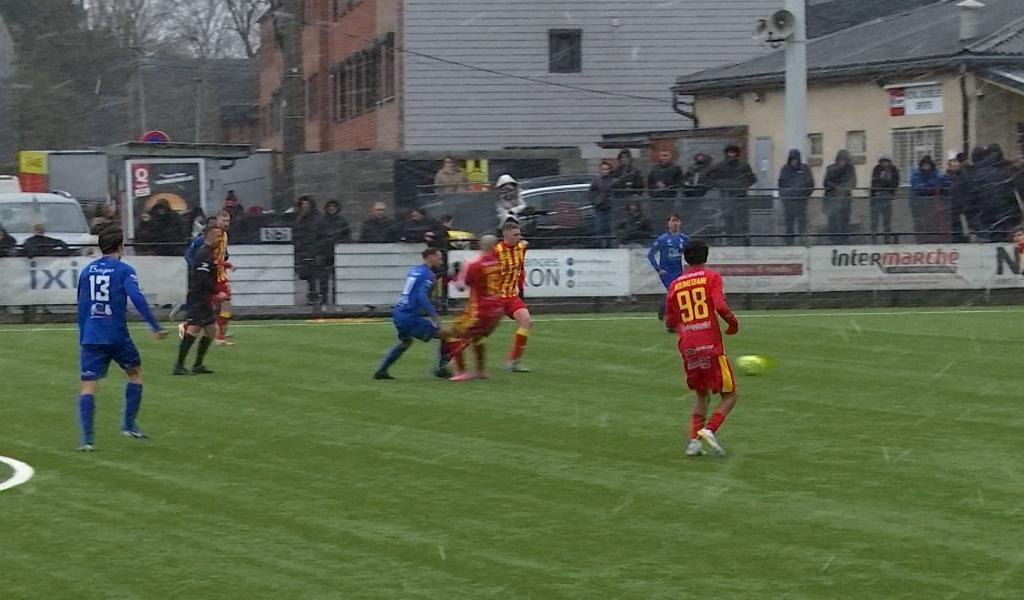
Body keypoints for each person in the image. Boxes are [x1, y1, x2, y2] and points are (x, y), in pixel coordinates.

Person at [75, 227, 167, 451]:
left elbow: (82, 305)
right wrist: (154, 325)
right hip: (115, 333)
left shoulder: (87, 271)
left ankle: (87, 440)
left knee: (88, 385)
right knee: (134, 372)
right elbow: (136, 297)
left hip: (91, 335)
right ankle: (128, 425)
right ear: (120, 246)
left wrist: (83, 334)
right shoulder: (124, 270)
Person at [664, 240, 739, 458]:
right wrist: (733, 323)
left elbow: (670, 322)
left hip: (688, 346)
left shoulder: (675, 284)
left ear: (685, 258)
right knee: (730, 395)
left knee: (701, 394)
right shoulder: (711, 277)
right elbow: (721, 306)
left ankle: (693, 443)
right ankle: (710, 429)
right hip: (710, 344)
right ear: (706, 257)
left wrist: (686, 329)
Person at [373, 248, 452, 380]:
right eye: (438, 258)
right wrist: (434, 316)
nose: (441, 261)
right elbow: (422, 296)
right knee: (445, 336)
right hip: (409, 316)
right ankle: (441, 369)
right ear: (431, 257)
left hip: (399, 313)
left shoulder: (414, 270)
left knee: (405, 342)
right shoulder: (428, 275)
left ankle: (381, 371)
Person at [447, 235, 504, 381]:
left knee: (454, 333)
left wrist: (453, 277)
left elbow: (461, 287)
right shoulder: (501, 262)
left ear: (479, 245)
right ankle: (480, 371)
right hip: (497, 309)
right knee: (477, 337)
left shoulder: (475, 264)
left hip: (480, 310)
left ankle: (460, 372)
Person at [174, 225, 226, 376]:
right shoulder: (203, 254)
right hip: (198, 297)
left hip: (203, 297)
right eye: (217, 236)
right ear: (208, 237)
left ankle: (198, 364)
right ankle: (179, 365)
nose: (219, 239)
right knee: (194, 328)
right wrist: (217, 293)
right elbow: (202, 279)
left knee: (210, 330)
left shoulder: (209, 254)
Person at [494, 221, 532, 372]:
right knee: (478, 331)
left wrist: (521, 286)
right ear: (506, 235)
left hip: (510, 296)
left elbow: (521, 268)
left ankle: (513, 362)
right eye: (516, 234)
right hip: (494, 297)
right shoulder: (495, 251)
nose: (519, 237)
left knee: (526, 321)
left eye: (519, 234)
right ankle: (452, 356)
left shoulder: (522, 248)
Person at [707, 145, 757, 244]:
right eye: (729, 152)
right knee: (728, 221)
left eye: (733, 152)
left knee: (743, 222)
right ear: (726, 153)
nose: (731, 155)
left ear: (737, 154)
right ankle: (730, 242)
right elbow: (709, 179)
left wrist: (741, 186)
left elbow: (752, 178)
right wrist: (722, 185)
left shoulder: (743, 165)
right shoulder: (719, 166)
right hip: (726, 197)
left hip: (740, 197)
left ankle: (746, 242)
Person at [648, 214, 690, 326]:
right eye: (673, 221)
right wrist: (659, 269)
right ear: (668, 223)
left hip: (679, 271)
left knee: (677, 294)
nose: (675, 223)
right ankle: (672, 321)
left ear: (680, 223)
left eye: (677, 221)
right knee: (675, 293)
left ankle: (665, 310)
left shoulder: (684, 239)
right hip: (666, 272)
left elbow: (691, 252)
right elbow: (650, 255)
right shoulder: (663, 239)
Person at [293, 196, 327, 305]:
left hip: (315, 252)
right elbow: (297, 235)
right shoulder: (299, 219)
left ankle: (320, 297)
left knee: (318, 276)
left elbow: (323, 235)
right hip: (304, 251)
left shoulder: (318, 218)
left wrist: (317, 248)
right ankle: (312, 296)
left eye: (306, 204)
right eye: (303, 204)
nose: (305, 206)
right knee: (308, 277)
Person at [777, 149, 814, 245]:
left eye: (796, 159)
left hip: (801, 201)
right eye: (792, 159)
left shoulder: (804, 168)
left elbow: (810, 184)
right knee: (789, 223)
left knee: (802, 223)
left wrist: (805, 195)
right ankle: (789, 242)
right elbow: (781, 184)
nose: (794, 161)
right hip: (789, 202)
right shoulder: (785, 169)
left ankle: (802, 241)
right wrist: (785, 197)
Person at [823, 149, 856, 242]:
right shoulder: (830, 168)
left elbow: (852, 183)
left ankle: (844, 240)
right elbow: (825, 182)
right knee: (832, 221)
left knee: (844, 221)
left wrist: (842, 189)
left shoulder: (850, 169)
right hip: (832, 199)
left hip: (844, 200)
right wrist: (835, 187)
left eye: (844, 160)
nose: (843, 162)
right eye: (841, 160)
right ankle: (832, 240)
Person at [870, 154, 900, 243]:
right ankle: (874, 238)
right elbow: (875, 182)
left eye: (886, 161)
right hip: (876, 197)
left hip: (887, 197)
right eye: (882, 162)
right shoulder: (877, 169)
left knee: (887, 219)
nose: (884, 163)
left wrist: (886, 186)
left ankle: (887, 238)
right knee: (874, 219)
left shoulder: (893, 169)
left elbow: (894, 182)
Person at [910, 156, 941, 243]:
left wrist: (926, 187)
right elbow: (918, 187)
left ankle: (930, 241)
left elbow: (937, 182)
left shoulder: (935, 173)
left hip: (930, 204)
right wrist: (929, 187)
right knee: (919, 224)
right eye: (924, 165)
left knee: (931, 224)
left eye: (927, 165)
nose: (926, 167)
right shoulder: (916, 174)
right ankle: (920, 241)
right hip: (918, 204)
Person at [589, 161, 618, 247]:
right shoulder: (596, 181)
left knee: (609, 230)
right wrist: (596, 202)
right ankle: (600, 246)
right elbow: (590, 194)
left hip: (610, 208)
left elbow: (617, 194)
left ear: (609, 170)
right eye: (603, 169)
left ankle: (609, 246)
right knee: (599, 230)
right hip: (600, 209)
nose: (604, 171)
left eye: (606, 169)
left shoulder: (613, 181)